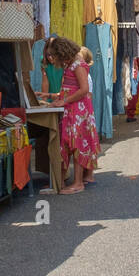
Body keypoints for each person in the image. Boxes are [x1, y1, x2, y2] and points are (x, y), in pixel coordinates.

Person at [44, 37, 99, 193]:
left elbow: (84, 89)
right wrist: (59, 99)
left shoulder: (77, 64)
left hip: (78, 110)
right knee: (70, 144)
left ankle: (78, 183)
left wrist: (64, 101)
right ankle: (64, 181)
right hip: (73, 109)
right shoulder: (72, 63)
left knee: (77, 144)